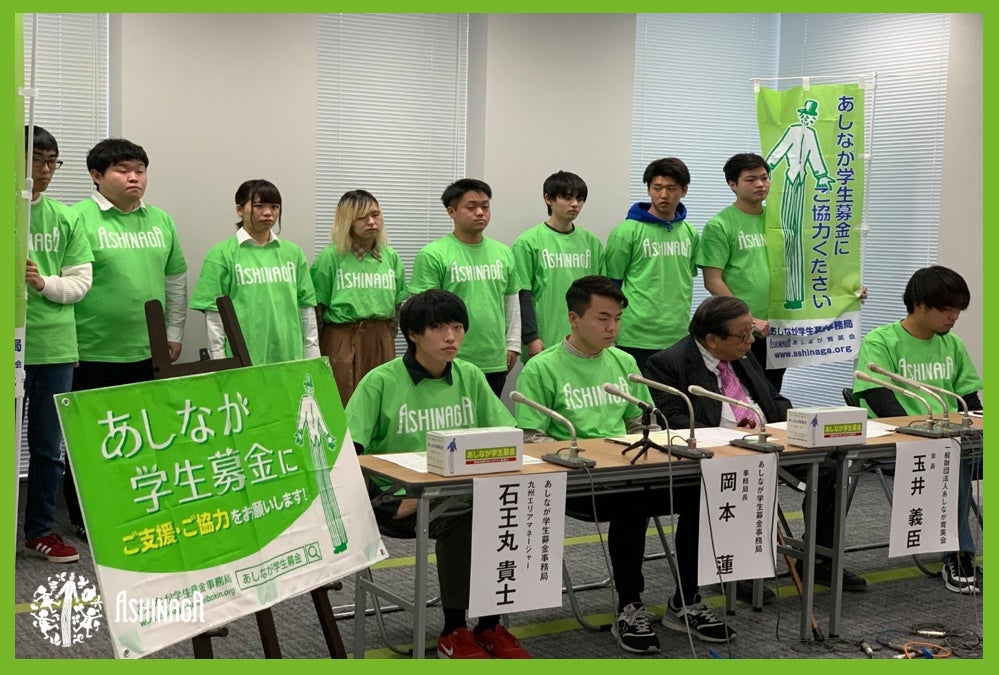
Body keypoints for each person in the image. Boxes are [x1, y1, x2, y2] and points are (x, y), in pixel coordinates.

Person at [513, 276, 735, 654]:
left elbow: (641, 426)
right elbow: (532, 441)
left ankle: (686, 600)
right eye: (602, 318)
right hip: (576, 480)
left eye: (616, 318)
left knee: (705, 493)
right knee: (633, 503)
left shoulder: (625, 362)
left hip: (628, 470)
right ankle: (630, 605)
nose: (612, 327)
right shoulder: (541, 368)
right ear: (573, 318)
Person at [345, 289, 531, 659]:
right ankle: (454, 628)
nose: (451, 337)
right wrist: (383, 504)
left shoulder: (470, 375)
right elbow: (348, 453)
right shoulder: (380, 381)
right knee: (469, 516)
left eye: (458, 327)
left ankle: (489, 626)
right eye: (439, 328)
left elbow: (505, 436)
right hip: (402, 500)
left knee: (511, 507)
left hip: (462, 494)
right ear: (413, 334)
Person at [645, 296, 868, 592]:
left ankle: (817, 560)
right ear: (712, 339)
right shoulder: (667, 363)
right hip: (720, 452)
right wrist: (725, 437)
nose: (751, 341)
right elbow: (673, 419)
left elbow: (771, 397)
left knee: (832, 469)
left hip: (765, 440)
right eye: (742, 335)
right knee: (740, 478)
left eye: (751, 331)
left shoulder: (744, 355)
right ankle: (730, 570)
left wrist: (793, 423)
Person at [67, 137, 188, 539]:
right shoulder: (76, 218)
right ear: (96, 175)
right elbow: (64, 283)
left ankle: (140, 506)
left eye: (140, 170)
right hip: (91, 348)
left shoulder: (161, 221)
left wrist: (174, 332)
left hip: (149, 348)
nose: (134, 177)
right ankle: (87, 516)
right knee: (90, 439)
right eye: (122, 170)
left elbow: (175, 280)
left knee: (147, 435)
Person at [852, 265, 982, 594]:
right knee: (953, 461)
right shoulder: (881, 342)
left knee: (956, 455)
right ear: (919, 305)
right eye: (946, 309)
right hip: (900, 446)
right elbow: (879, 400)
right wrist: (924, 435)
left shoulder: (952, 344)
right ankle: (959, 555)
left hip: (953, 441)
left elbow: (969, 401)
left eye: (958, 310)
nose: (954, 317)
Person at [21, 125, 94, 563]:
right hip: (13, 346)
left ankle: (40, 531)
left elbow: (80, 284)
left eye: (52, 162)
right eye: (37, 160)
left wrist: (42, 283)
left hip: (55, 348)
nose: (46, 170)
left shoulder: (66, 218)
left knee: (49, 449)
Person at [407, 179, 520, 397]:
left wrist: (513, 344)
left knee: (488, 418)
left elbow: (511, 302)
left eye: (485, 206)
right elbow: (421, 312)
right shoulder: (433, 254)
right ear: (451, 212)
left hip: (494, 358)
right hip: (449, 358)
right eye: (471, 207)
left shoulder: (504, 252)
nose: (480, 213)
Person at [191, 179, 319, 366]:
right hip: (242, 358)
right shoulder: (221, 254)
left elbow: (306, 307)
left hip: (289, 355)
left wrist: (312, 355)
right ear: (239, 209)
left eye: (274, 207)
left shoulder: (293, 253)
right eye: (259, 206)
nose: (268, 213)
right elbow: (214, 314)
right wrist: (219, 360)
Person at [697, 153, 786, 391]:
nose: (760, 184)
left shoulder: (779, 220)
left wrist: (845, 292)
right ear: (732, 184)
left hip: (779, 328)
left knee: (772, 392)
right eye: (751, 179)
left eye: (764, 178)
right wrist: (748, 320)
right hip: (742, 332)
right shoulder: (719, 225)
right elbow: (712, 281)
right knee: (746, 394)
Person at [310, 189, 406, 406]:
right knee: (343, 401)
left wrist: (385, 337)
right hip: (342, 339)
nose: (371, 222)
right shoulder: (331, 257)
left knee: (382, 400)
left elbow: (397, 306)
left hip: (381, 338)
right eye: (362, 217)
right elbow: (317, 309)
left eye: (375, 214)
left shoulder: (390, 257)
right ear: (347, 221)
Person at [605, 158, 699, 374]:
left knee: (673, 394)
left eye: (671, 189)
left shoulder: (690, 233)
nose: (663, 195)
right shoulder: (625, 232)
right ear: (648, 190)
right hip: (635, 335)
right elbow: (611, 285)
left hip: (677, 334)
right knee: (638, 394)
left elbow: (685, 278)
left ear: (684, 190)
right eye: (657, 188)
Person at [513, 171, 604, 360]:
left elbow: (601, 293)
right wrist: (531, 337)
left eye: (580, 199)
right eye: (567, 197)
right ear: (548, 199)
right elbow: (523, 295)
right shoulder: (528, 242)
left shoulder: (592, 242)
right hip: (545, 340)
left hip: (585, 339)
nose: (575, 204)